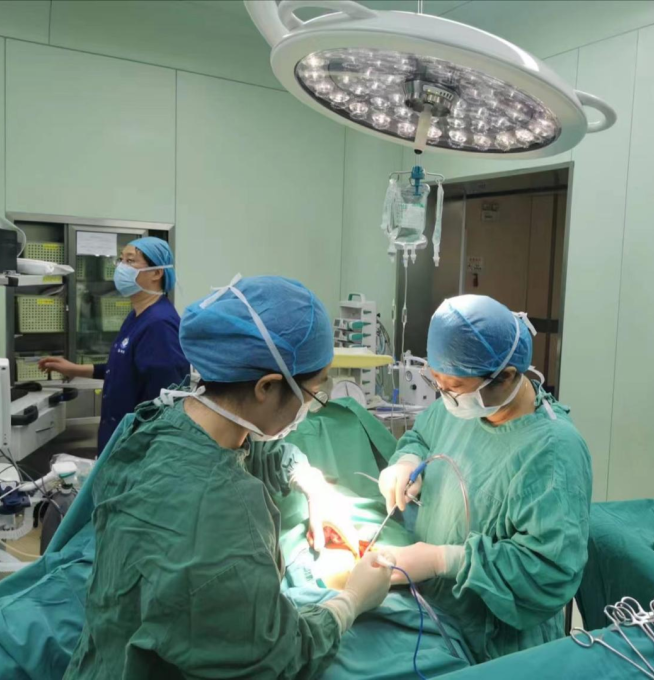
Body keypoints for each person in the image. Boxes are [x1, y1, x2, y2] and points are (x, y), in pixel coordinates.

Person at [63, 275, 394, 680]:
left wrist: (310, 482)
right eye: (313, 393)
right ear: (266, 387)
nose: (312, 405)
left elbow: (253, 452)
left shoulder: (167, 421)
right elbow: (275, 658)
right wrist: (351, 601)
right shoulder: (222, 525)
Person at [378, 295, 593, 663]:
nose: (445, 396)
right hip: (437, 614)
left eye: (454, 386)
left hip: (498, 645)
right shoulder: (459, 406)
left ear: (506, 376)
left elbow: (548, 572)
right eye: (437, 382)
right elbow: (424, 434)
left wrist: (444, 560)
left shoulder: (554, 452)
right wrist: (407, 461)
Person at [39, 237, 189, 452]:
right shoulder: (137, 316)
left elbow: (166, 401)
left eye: (130, 261)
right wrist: (74, 369)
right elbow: (123, 368)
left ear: (156, 273)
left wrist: (145, 454)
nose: (121, 267)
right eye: (120, 260)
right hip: (120, 438)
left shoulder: (159, 324)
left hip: (139, 447)